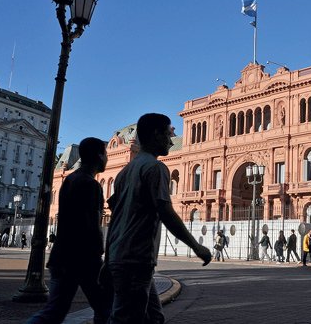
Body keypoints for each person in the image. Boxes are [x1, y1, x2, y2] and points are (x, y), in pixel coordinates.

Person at [105, 113, 211, 324]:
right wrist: (196, 247)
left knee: (154, 317)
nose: (171, 141)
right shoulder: (155, 168)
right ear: (155, 135)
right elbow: (166, 213)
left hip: (121, 255)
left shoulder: (124, 172)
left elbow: (114, 216)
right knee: (126, 318)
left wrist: (108, 259)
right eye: (167, 134)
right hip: (136, 257)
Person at [27, 137, 112, 324]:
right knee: (105, 307)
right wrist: (100, 255)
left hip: (62, 256)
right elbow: (92, 224)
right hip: (82, 259)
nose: (107, 158)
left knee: (55, 311)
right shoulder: (91, 185)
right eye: (106, 153)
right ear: (99, 156)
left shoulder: (71, 179)